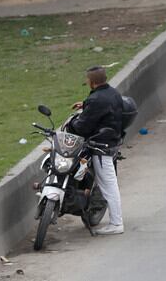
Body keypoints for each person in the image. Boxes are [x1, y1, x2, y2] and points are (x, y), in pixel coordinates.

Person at [68, 66, 124, 235]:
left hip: (100, 148)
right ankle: (115, 222)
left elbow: (82, 126)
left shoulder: (96, 99)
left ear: (91, 82)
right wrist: (85, 104)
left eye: (87, 80)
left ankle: (116, 223)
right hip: (112, 142)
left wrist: (72, 123)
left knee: (108, 187)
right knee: (109, 185)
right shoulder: (113, 93)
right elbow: (104, 107)